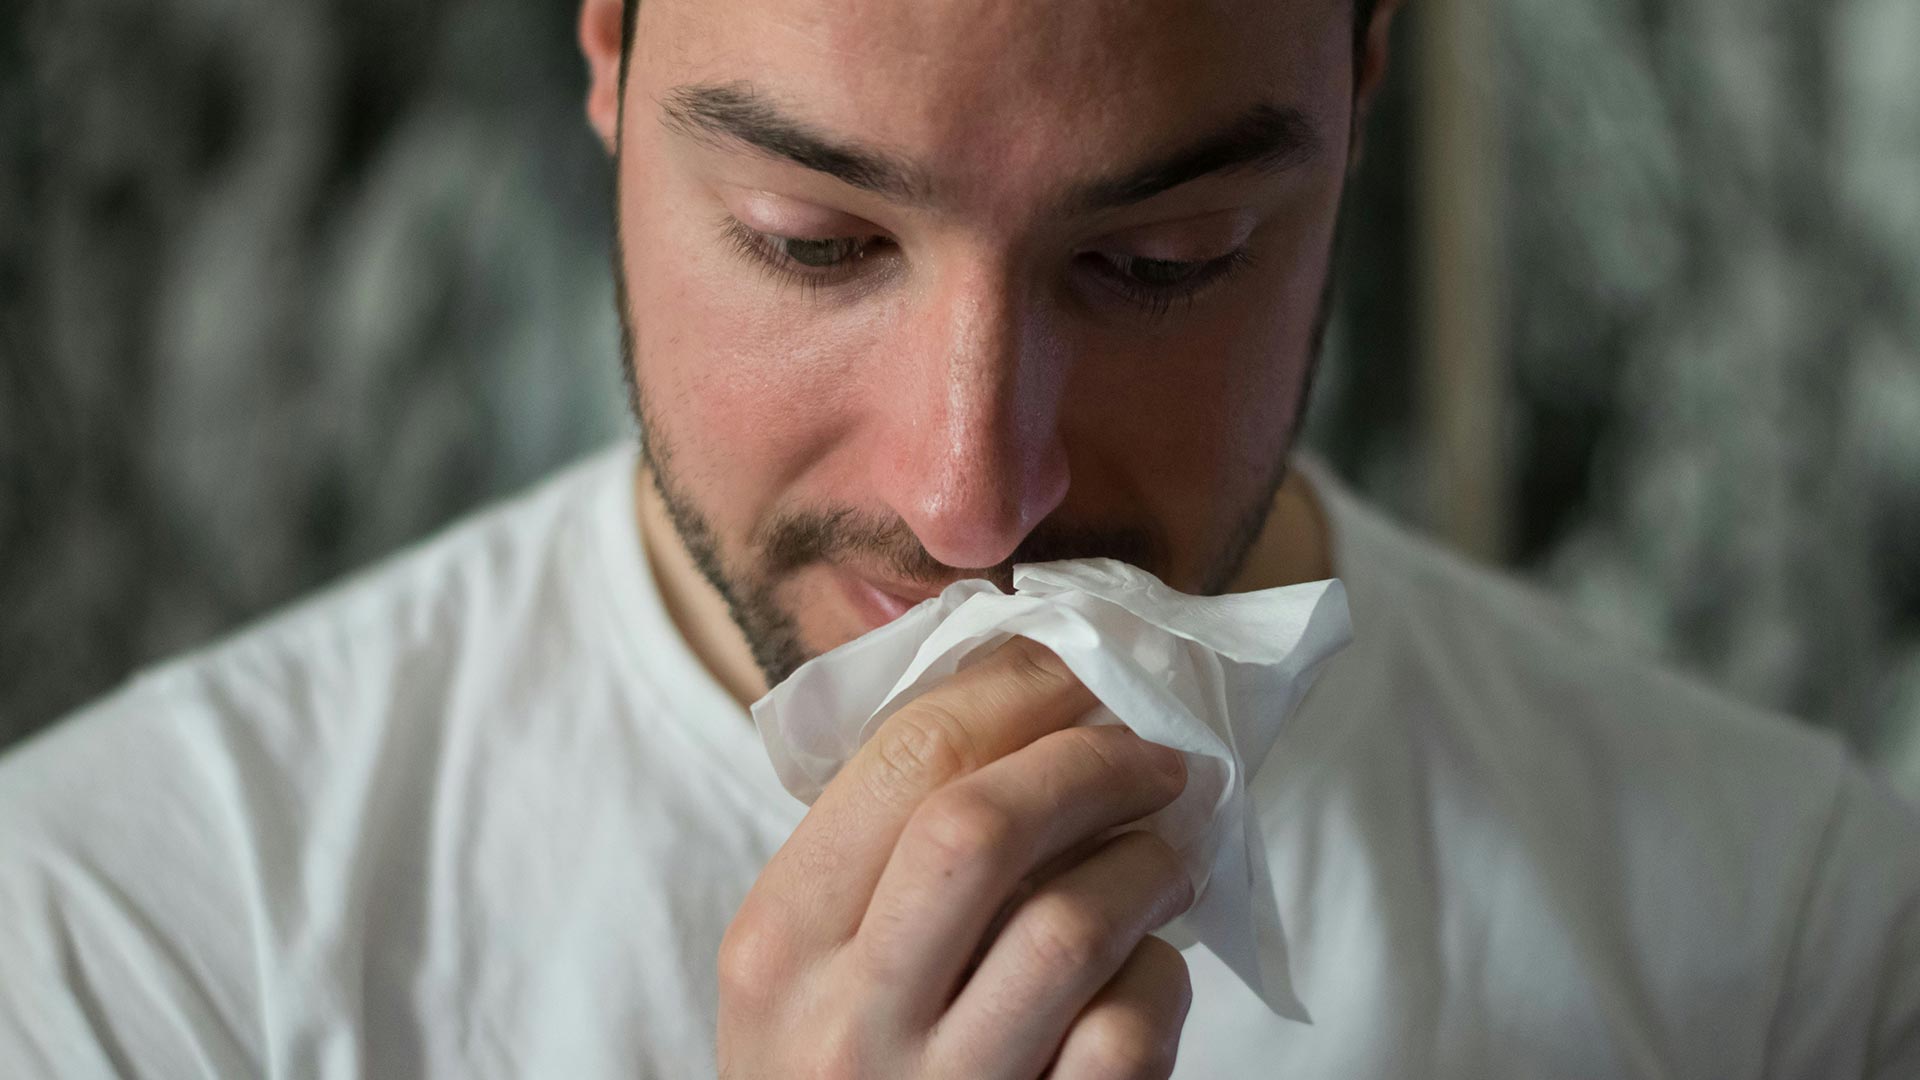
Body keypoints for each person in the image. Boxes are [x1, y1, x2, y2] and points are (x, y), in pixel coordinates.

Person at [2, 0, 1915, 1075]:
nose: (971, 497)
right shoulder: (129, 951)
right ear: (606, 49)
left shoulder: (1795, 947)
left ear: (1363, 81)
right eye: (814, 243)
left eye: (1162, 265)